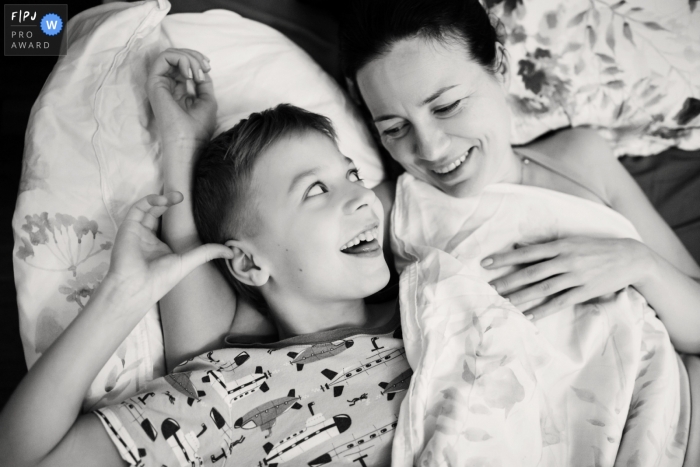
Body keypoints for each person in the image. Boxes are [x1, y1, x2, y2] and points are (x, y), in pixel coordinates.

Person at [0, 49, 407, 467]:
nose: (361, 196)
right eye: (316, 190)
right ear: (249, 264)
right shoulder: (226, 395)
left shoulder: (426, 296)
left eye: (353, 174)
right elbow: (22, 457)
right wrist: (121, 296)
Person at [337, 0, 700, 463]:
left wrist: (637, 261)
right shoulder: (389, 209)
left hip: (677, 419)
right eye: (393, 128)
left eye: (447, 106)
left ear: (500, 66)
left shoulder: (581, 159)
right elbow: (264, 294)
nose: (430, 147)